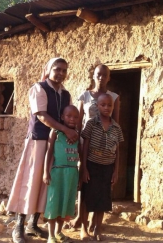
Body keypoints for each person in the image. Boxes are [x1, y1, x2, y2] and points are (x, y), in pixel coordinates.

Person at [6, 58, 79, 243]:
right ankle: (18, 227)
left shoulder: (65, 94)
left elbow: (66, 118)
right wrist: (66, 130)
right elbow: (42, 116)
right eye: (57, 69)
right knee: (30, 181)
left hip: (57, 144)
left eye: (64, 70)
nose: (61, 73)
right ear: (48, 69)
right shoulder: (39, 88)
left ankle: (33, 224)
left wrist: (70, 134)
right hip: (39, 141)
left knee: (47, 184)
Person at [71, 64, 120, 240]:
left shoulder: (114, 97)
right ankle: (82, 222)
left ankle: (96, 224)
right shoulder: (85, 96)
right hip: (86, 145)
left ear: (109, 77)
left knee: (100, 188)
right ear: (93, 75)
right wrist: (77, 143)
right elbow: (78, 122)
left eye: (105, 75)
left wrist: (116, 166)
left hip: (106, 149)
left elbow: (116, 125)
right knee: (84, 186)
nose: (101, 77)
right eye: (98, 74)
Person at [81, 93, 124, 241]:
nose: (106, 108)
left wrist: (115, 171)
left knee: (103, 200)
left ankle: (98, 228)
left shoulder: (116, 127)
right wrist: (84, 168)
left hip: (107, 167)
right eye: (103, 105)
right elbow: (85, 145)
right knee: (87, 198)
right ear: (97, 106)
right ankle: (84, 228)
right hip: (92, 166)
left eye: (109, 105)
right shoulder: (91, 123)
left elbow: (117, 150)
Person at [43, 105, 81, 243]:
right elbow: (49, 152)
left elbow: (80, 155)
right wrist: (45, 172)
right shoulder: (55, 133)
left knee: (65, 204)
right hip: (57, 172)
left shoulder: (77, 135)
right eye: (69, 116)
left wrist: (80, 176)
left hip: (72, 174)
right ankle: (51, 236)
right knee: (54, 203)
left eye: (75, 117)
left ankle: (59, 233)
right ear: (62, 117)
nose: (72, 119)